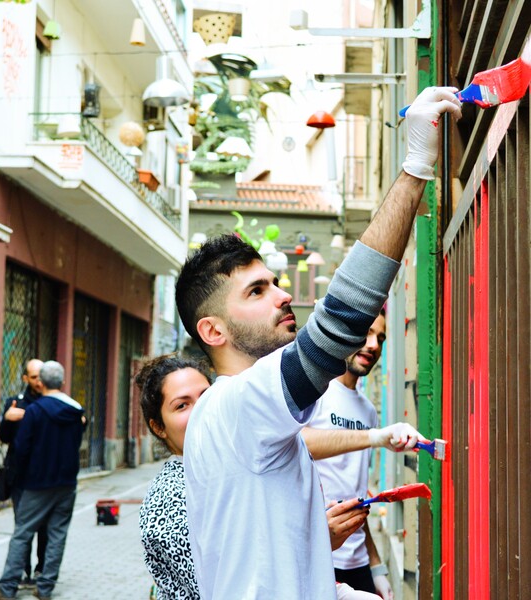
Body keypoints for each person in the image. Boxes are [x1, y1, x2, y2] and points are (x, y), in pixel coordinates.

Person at [174, 86, 462, 599]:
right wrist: (417, 165)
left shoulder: (245, 418)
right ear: (213, 331)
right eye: (257, 291)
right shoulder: (238, 403)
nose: (283, 296)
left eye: (274, 282)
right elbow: (337, 329)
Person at [136, 355, 378, 600]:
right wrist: (315, 538)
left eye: (206, 396)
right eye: (182, 405)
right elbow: (231, 582)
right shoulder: (167, 499)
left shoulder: (226, 466)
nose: (201, 409)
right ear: (159, 427)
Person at [303, 310, 400, 599]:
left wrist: (377, 567)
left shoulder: (368, 410)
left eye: (380, 338)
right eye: (367, 333)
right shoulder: (314, 395)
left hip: (359, 562)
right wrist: (374, 437)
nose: (373, 345)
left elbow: (357, 493)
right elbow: (301, 443)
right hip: (319, 556)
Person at [0, 361, 85, 600]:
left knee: (22, 533)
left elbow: (21, 448)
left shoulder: (34, 411)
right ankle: (45, 588)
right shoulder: (76, 411)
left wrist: (19, 478)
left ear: (41, 382)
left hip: (36, 484)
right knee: (57, 535)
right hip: (66, 484)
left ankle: (7, 587)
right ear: (62, 382)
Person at [0, 358, 48, 587]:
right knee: (23, 526)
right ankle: (22, 570)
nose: (39, 381)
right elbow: (4, 436)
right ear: (26, 378)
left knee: (45, 527)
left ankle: (40, 570)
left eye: (42, 376)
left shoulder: (53, 401)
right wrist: (8, 420)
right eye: (34, 376)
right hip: (20, 476)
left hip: (46, 476)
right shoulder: (15, 403)